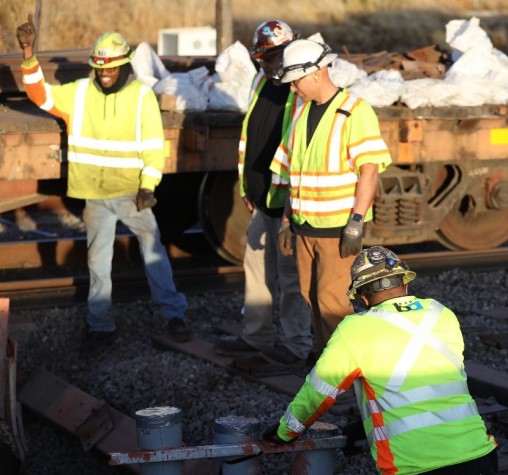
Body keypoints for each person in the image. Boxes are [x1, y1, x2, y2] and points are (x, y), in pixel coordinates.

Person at [264, 246, 498, 475]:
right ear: (404, 282)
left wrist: (285, 432)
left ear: (360, 297)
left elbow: (318, 393)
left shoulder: (355, 330)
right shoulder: (441, 314)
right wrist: (366, 425)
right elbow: (430, 390)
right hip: (480, 470)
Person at [16, 15, 191, 348]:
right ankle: (100, 326)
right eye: (100, 70)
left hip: (132, 194)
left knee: (153, 252)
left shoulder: (140, 95)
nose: (105, 75)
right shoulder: (80, 92)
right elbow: (42, 96)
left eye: (111, 69)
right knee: (98, 261)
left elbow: (154, 145)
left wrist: (147, 187)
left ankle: (174, 315)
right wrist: (28, 53)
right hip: (94, 196)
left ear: (124, 66)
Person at [270, 38, 392, 356]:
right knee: (311, 297)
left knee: (331, 301)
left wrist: (355, 224)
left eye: (295, 81)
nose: (293, 89)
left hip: (337, 228)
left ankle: (346, 365)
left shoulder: (354, 111)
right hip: (304, 225)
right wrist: (286, 221)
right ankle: (328, 358)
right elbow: (291, 173)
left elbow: (369, 171)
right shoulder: (300, 114)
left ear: (315, 74)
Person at [213, 20, 313, 366]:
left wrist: (290, 199)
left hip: (285, 201)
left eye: (270, 58)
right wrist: (247, 184)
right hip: (261, 198)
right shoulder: (261, 81)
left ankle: (295, 343)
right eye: (262, 59)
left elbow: (298, 148)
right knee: (256, 267)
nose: (265, 65)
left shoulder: (299, 88)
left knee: (289, 276)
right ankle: (257, 336)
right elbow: (251, 135)